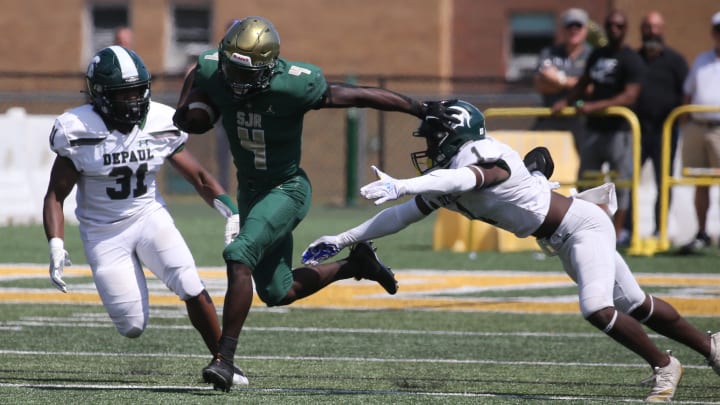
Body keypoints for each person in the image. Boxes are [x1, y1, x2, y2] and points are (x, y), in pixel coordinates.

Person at [303, 100, 720, 402]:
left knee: (596, 306)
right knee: (635, 303)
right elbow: (400, 216)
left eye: (433, 137)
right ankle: (711, 347)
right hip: (561, 237)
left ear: (452, 134)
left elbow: (469, 179)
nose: (428, 147)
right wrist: (342, 239)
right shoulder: (446, 175)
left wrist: (406, 183)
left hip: (582, 224)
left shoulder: (484, 156)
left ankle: (664, 366)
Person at [172, 16, 458, 391]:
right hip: (252, 190)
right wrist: (187, 108)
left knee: (239, 254)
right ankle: (355, 264)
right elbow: (196, 74)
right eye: (233, 72)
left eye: (248, 75)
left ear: (270, 67)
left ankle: (224, 359)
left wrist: (418, 107)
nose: (238, 83)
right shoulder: (214, 68)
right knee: (277, 292)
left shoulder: (294, 85)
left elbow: (356, 95)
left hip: (287, 189)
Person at [42, 45, 247, 386]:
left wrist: (232, 212)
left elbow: (199, 177)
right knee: (132, 325)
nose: (134, 99)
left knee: (189, 281)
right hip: (104, 233)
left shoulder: (162, 120)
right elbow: (55, 195)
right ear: (103, 95)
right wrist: (56, 243)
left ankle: (224, 362)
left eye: (139, 90)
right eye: (125, 94)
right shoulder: (77, 129)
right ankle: (132, 271)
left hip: (148, 216)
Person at [552, 9, 646, 245]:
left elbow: (630, 96)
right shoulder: (597, 56)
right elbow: (584, 82)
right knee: (587, 182)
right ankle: (584, 230)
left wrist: (595, 106)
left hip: (620, 130)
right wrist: (566, 100)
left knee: (621, 184)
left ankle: (618, 233)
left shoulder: (632, 59)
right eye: (611, 25)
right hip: (594, 130)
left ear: (625, 30)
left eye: (619, 26)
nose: (614, 30)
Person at [627, 11, 688, 239]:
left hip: (665, 132)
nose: (651, 31)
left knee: (665, 182)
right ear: (641, 30)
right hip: (637, 131)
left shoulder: (675, 60)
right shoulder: (633, 59)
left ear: (662, 29)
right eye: (647, 27)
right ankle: (628, 230)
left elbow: (686, 93)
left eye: (656, 27)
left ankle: (659, 229)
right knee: (629, 179)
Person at [679, 11, 720, 253]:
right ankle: (702, 232)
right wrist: (685, 120)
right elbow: (688, 90)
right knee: (699, 182)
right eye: (718, 30)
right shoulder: (702, 60)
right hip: (697, 127)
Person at [532, 8, 592, 154]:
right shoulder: (550, 52)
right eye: (569, 26)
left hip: (582, 118)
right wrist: (574, 84)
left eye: (578, 26)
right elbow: (540, 84)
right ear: (562, 30)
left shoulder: (592, 54)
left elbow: (591, 88)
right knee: (534, 153)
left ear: (586, 30)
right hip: (551, 115)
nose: (574, 30)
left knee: (587, 159)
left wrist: (557, 80)